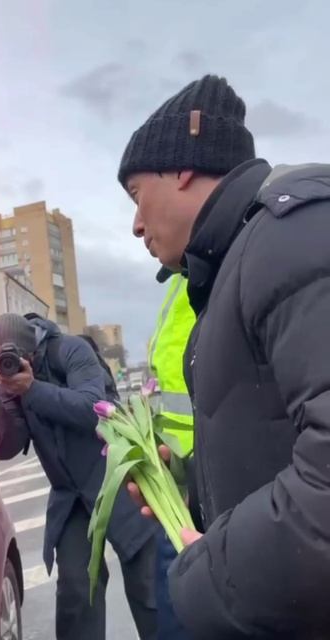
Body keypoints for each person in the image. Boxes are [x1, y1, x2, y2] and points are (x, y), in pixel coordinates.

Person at [118, 73, 330, 639]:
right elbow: (277, 439)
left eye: (137, 195)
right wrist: (188, 488)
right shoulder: (234, 262)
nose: (136, 223)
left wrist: (207, 572)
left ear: (182, 168)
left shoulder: (290, 236)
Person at [0, 313, 158, 640]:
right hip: (72, 497)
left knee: (148, 586)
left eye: (10, 353)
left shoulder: (71, 351)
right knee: (76, 590)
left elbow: (92, 410)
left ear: (29, 348)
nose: (6, 361)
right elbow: (7, 447)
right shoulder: (8, 381)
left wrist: (31, 389)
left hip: (116, 479)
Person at [149, 268, 195, 639]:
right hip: (179, 482)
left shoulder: (233, 262)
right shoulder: (183, 278)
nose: (137, 226)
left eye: (138, 204)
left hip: (204, 485)